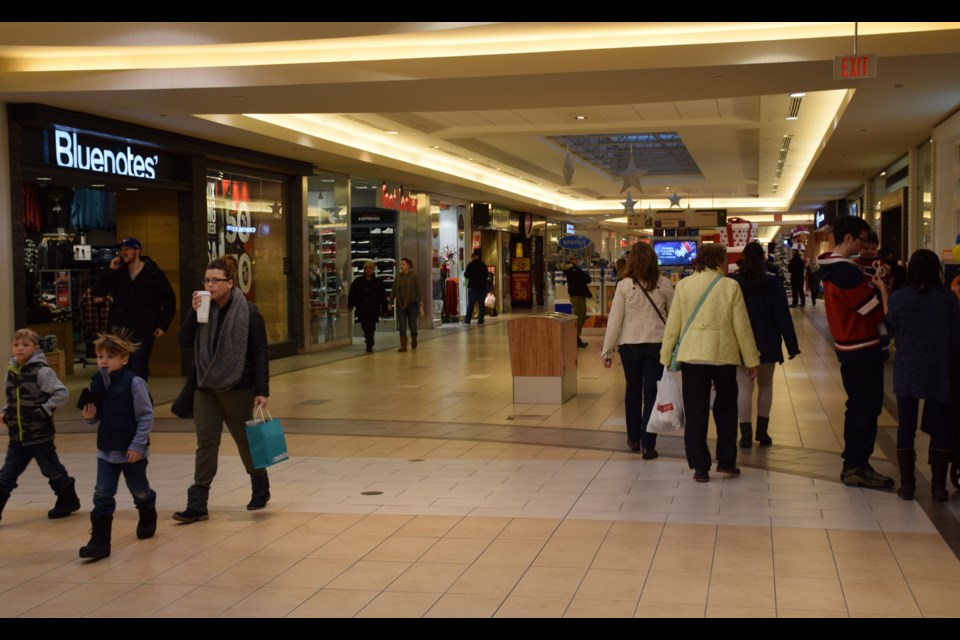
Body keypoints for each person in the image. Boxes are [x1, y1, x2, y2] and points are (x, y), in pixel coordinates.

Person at [173, 257, 270, 523]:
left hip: (238, 385)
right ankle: (198, 502)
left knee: (245, 440)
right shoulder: (202, 309)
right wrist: (194, 313)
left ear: (230, 283)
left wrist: (262, 390)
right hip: (204, 384)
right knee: (206, 442)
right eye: (206, 280)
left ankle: (260, 485)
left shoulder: (249, 312)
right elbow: (183, 341)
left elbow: (260, 352)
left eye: (216, 280)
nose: (210, 285)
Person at [660, 243, 760, 483]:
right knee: (726, 412)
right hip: (723, 356)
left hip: (692, 356)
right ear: (718, 261)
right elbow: (742, 326)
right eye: (725, 259)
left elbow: (673, 324)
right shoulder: (730, 286)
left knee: (696, 413)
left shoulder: (683, 286)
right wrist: (751, 359)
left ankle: (700, 468)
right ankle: (726, 462)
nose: (728, 263)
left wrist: (665, 356)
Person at [817, 216, 894, 489]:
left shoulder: (833, 269)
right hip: (861, 348)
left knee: (858, 406)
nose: (864, 246)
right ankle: (856, 466)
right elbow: (873, 312)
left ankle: (854, 461)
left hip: (848, 347)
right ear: (848, 238)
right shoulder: (845, 272)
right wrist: (883, 291)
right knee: (866, 407)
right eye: (862, 239)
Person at [884, 249, 960, 501]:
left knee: (906, 425)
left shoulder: (900, 298)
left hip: (908, 368)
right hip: (939, 368)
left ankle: (908, 486)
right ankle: (939, 487)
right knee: (940, 425)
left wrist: (886, 294)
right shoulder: (948, 299)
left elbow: (890, 326)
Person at [78, 332, 157, 559]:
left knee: (139, 490)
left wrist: (137, 446)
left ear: (124, 359)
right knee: (102, 493)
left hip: (132, 451)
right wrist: (88, 416)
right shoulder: (97, 383)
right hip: (106, 449)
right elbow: (95, 416)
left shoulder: (134, 382)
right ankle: (100, 542)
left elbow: (145, 416)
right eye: (100, 356)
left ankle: (147, 510)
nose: (104, 360)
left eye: (110, 356)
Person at [601, 242, 674, 459]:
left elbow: (615, 320)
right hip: (656, 344)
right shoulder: (664, 284)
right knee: (651, 393)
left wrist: (607, 351)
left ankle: (633, 438)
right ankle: (648, 443)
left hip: (629, 346)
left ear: (631, 260)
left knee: (632, 390)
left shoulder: (624, 286)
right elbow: (673, 319)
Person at [0, 328, 78, 523]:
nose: (20, 349)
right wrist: (5, 412)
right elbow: (12, 400)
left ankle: (68, 498)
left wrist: (43, 411)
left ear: (35, 348)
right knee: (6, 475)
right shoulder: (11, 372)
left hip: (40, 435)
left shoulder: (42, 372)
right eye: (16, 345)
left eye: (25, 345)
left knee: (51, 470)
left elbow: (61, 393)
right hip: (17, 436)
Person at [731, 243, 801, 448]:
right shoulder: (773, 283)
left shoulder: (734, 282)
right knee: (765, 385)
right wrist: (792, 345)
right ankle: (762, 432)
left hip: (741, 341)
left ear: (743, 257)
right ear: (763, 257)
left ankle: (744, 434)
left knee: (744, 387)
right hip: (768, 339)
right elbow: (782, 315)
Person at [92, 237, 177, 381]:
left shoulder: (154, 274)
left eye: (127, 249)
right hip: (121, 329)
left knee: (139, 367)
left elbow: (170, 300)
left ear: (137, 251)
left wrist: (163, 325)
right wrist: (110, 270)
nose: (123, 253)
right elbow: (98, 291)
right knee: (120, 367)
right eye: (122, 249)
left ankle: (140, 399)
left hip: (144, 329)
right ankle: (123, 398)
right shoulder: (118, 273)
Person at [348, 260, 390, 353]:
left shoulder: (378, 282)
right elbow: (352, 294)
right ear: (363, 269)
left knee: (371, 326)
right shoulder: (357, 281)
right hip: (361, 308)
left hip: (373, 308)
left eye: (370, 268)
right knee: (364, 325)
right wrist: (350, 304)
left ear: (373, 269)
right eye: (366, 268)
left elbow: (382, 297)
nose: (368, 270)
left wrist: (385, 309)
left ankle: (369, 343)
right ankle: (369, 338)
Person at [390, 258, 422, 352]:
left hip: (412, 304)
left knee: (412, 324)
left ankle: (414, 338)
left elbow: (418, 290)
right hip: (400, 304)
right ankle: (403, 346)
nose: (401, 266)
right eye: (401, 264)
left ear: (409, 265)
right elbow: (394, 290)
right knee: (402, 325)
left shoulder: (414, 276)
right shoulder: (398, 277)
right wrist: (390, 302)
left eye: (403, 264)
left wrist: (421, 303)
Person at [564, 254, 593, 348]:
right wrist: (585, 278)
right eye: (573, 259)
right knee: (578, 317)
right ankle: (575, 338)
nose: (576, 260)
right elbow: (586, 278)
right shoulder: (572, 270)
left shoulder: (576, 269)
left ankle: (577, 337)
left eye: (577, 258)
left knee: (582, 316)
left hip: (580, 295)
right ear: (569, 260)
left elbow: (586, 279)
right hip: (576, 296)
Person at [463, 250, 489, 326]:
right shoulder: (483, 265)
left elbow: (466, 275)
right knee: (481, 305)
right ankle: (480, 321)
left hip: (472, 288)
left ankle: (467, 321)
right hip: (482, 288)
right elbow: (486, 275)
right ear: (478, 257)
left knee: (471, 304)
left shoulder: (470, 265)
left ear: (473, 257)